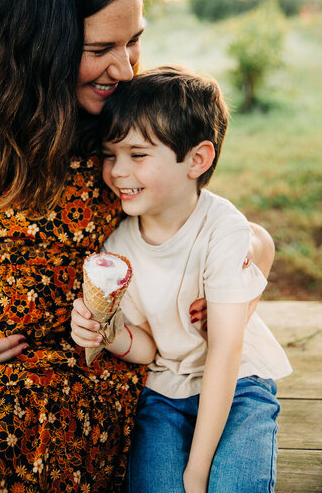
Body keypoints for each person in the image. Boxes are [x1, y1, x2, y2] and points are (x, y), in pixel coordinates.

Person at [0, 0, 272, 493]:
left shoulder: (115, 116)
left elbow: (214, 218)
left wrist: (253, 256)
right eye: (99, 48)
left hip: (79, 379)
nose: (126, 68)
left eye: (134, 39)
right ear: (36, 39)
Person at [71, 67, 292, 493]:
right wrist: (106, 332)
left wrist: (197, 469)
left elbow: (227, 349)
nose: (117, 171)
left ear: (197, 160)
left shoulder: (222, 228)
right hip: (165, 391)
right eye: (110, 154)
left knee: (233, 486)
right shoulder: (118, 247)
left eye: (137, 155)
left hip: (240, 382)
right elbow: (149, 346)